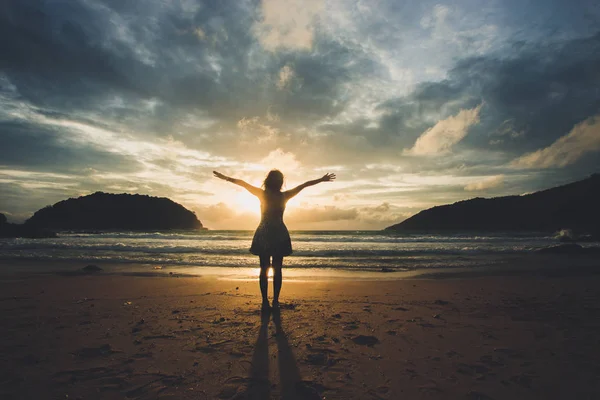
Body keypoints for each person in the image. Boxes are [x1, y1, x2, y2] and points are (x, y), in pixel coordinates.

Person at [213, 169, 336, 308]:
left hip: (265, 233)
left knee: (264, 268)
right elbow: (304, 185)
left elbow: (243, 183)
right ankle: (274, 301)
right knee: (277, 269)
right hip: (278, 233)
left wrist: (226, 178)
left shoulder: (263, 194)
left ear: (268, 181)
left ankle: (266, 301)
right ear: (280, 182)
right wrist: (321, 179)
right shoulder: (284, 195)